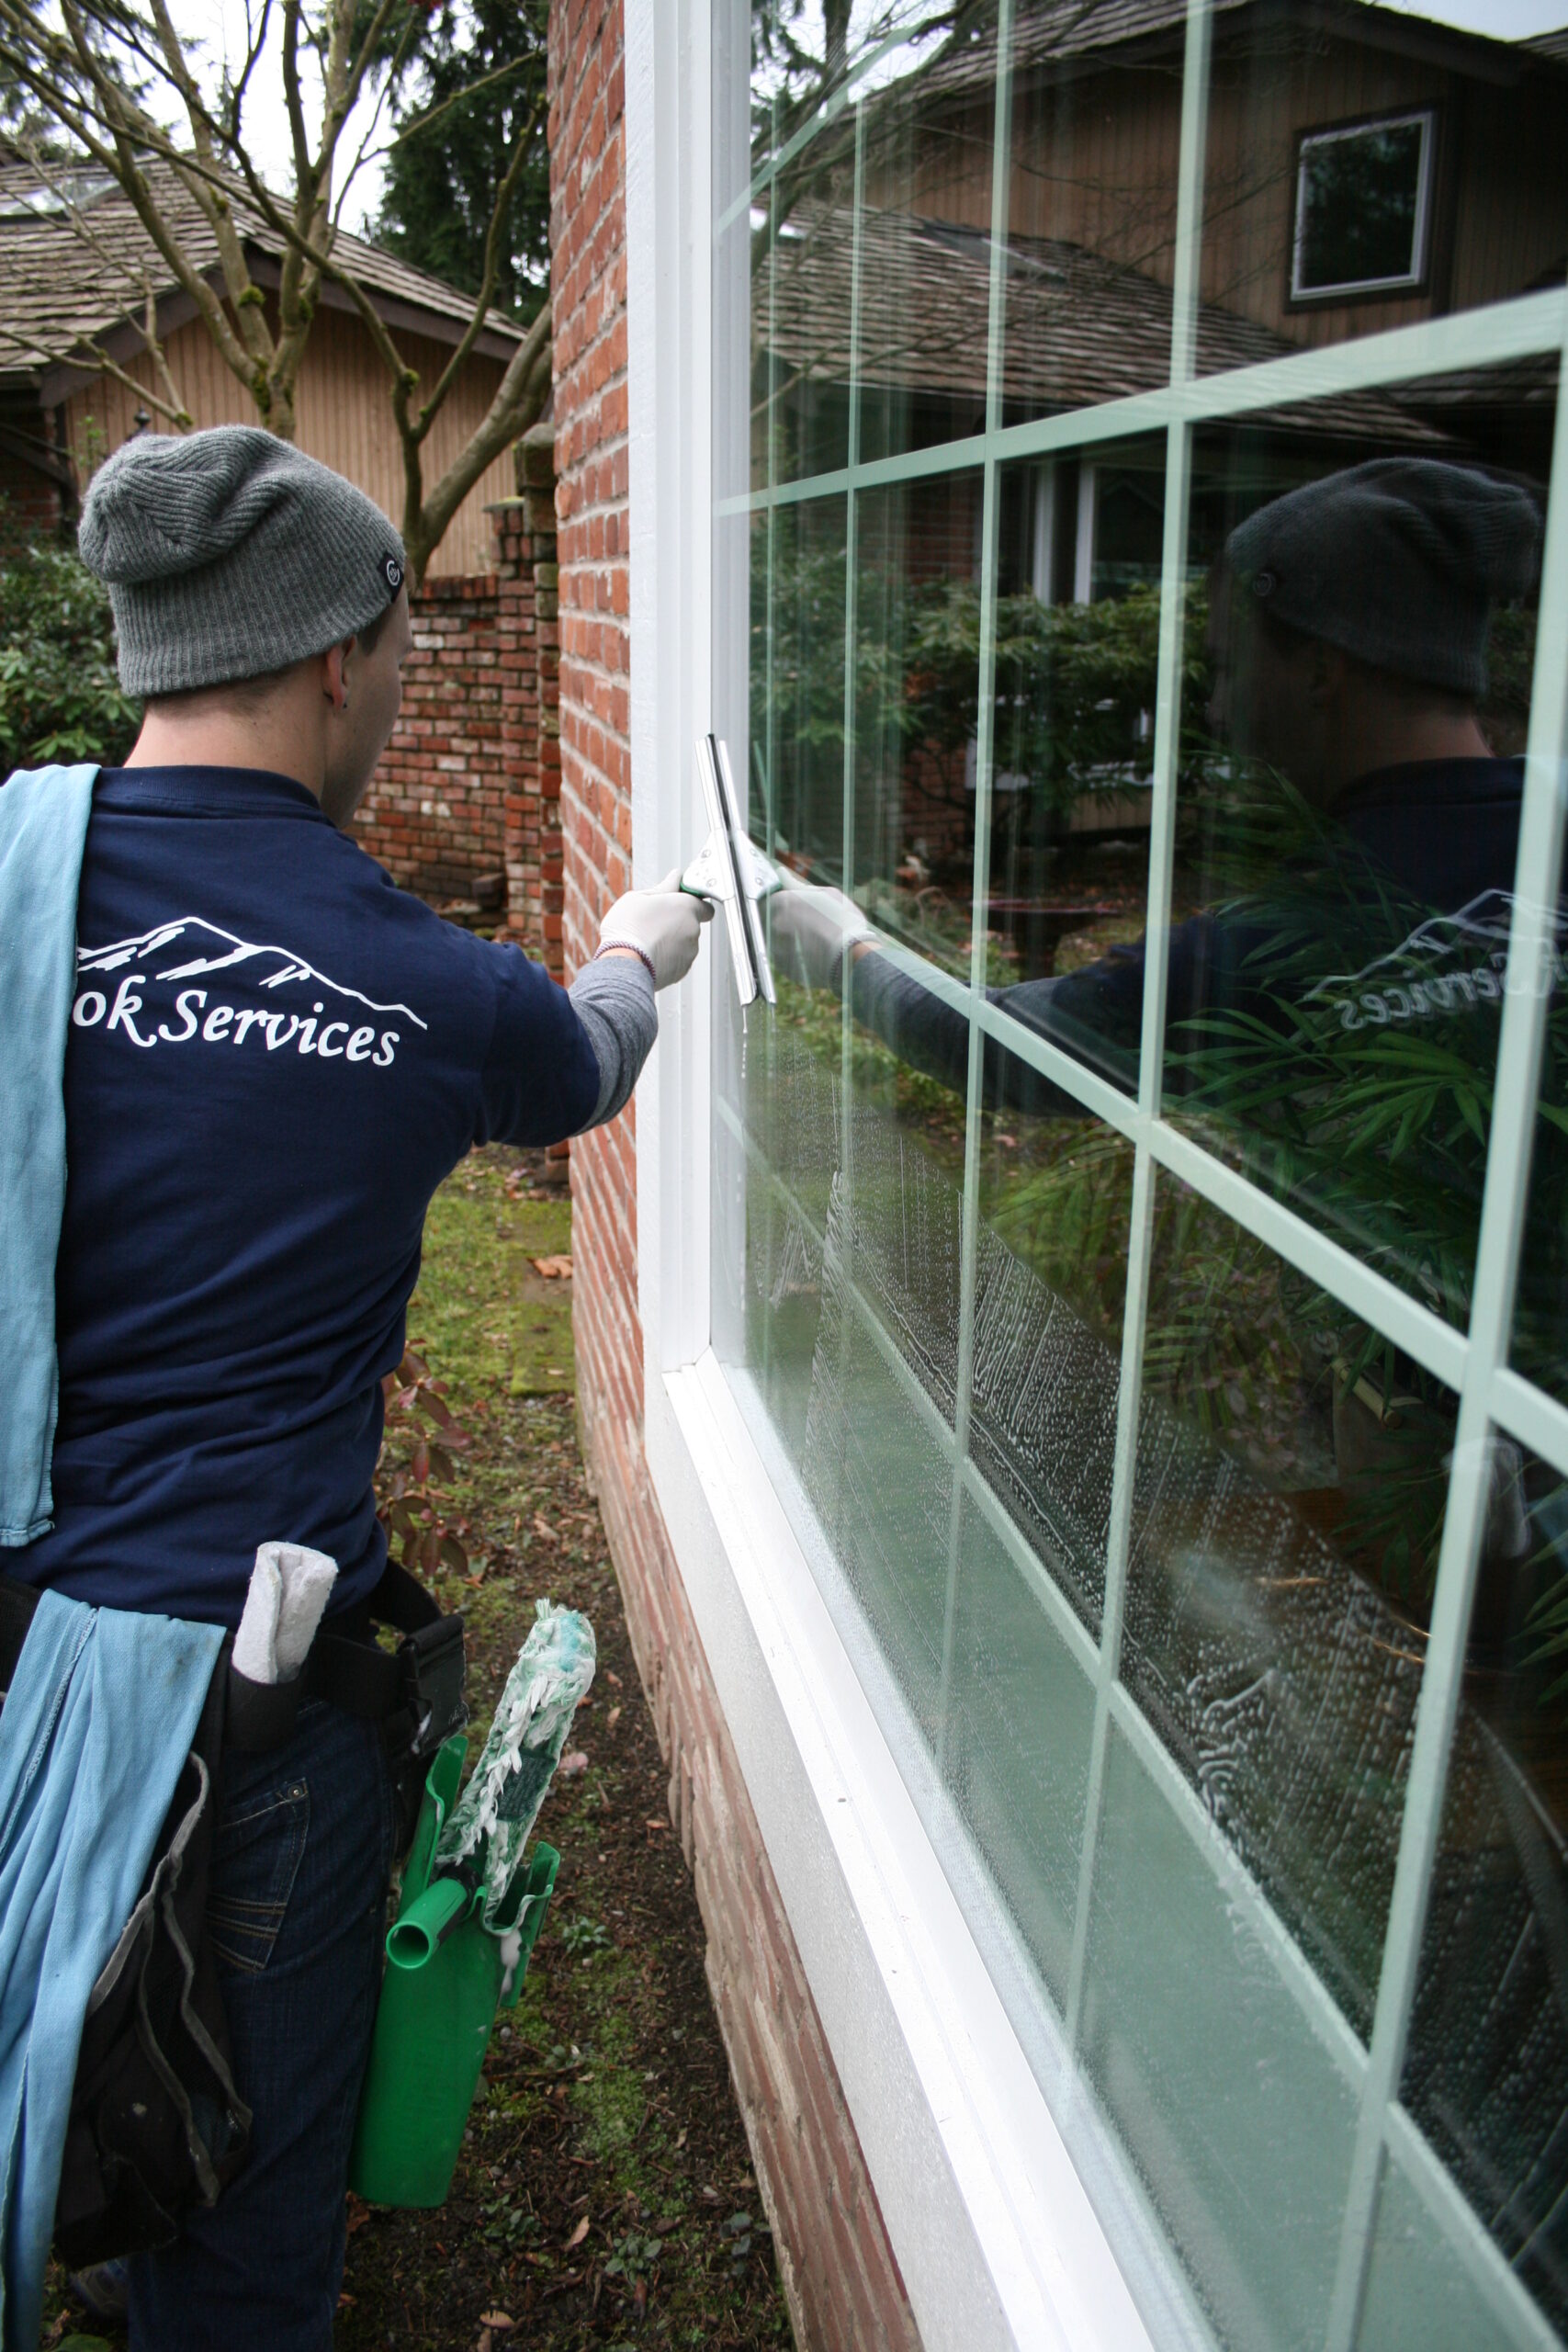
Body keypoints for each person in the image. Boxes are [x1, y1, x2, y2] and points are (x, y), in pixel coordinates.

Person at [4, 424, 708, 2349]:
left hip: (12, 1654)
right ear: (343, 654)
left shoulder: (7, 880)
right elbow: (581, 1058)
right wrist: (638, 948)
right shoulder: (424, 985)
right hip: (242, 1726)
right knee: (243, 2230)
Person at [770, 457, 1543, 1115]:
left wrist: (843, 950)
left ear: (1319, 671)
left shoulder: (1295, 945)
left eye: (1229, 668)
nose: (1217, 710)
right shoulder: (1546, 837)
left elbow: (993, 1048)